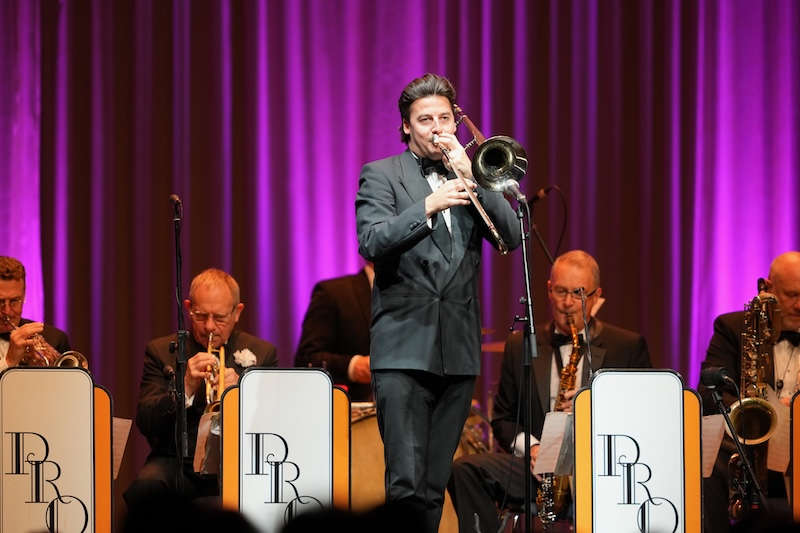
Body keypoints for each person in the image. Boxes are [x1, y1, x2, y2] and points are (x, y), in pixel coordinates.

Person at [355, 72, 521, 532]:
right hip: (403, 349)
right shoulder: (382, 173)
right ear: (407, 126)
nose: (436, 127)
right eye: (424, 119)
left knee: (433, 484)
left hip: (457, 351)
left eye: (444, 118)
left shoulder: (469, 175)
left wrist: (476, 179)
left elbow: (512, 237)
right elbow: (371, 240)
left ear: (456, 121)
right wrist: (428, 206)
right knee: (406, 484)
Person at [447, 250, 652, 533]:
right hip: (540, 471)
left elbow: (644, 418)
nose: (568, 304)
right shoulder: (520, 345)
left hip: (602, 469)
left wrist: (592, 410)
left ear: (596, 296)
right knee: (465, 471)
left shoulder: (627, 346)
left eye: (578, 293)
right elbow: (504, 419)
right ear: (548, 290)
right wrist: (532, 448)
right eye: (560, 291)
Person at [125, 268, 278, 508]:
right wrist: (184, 386)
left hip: (238, 461)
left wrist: (243, 394)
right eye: (200, 316)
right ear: (188, 307)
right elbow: (146, 421)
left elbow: (273, 423)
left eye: (219, 318)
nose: (209, 327)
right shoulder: (161, 351)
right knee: (146, 486)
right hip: (175, 461)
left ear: (237, 313)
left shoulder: (263, 353)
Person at [698, 251, 800, 532]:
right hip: (750, 443)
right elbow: (709, 394)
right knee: (710, 453)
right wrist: (755, 414)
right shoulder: (732, 327)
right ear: (766, 288)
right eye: (792, 295)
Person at [294, 263, 374, 402]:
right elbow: (306, 359)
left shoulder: (422, 295)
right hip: (354, 412)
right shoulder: (333, 293)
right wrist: (354, 366)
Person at [0, 256, 70, 370]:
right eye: (0, 302)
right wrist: (10, 361)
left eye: (14, 301)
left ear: (24, 296)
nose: (7, 311)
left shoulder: (54, 338)